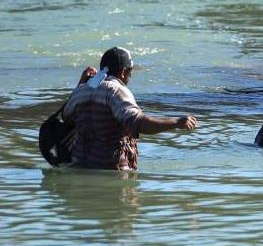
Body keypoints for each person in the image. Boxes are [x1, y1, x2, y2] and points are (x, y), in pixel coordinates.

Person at [62, 46, 197, 170]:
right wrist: (177, 122)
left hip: (78, 164)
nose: (129, 77)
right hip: (111, 170)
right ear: (123, 72)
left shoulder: (81, 90)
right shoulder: (116, 91)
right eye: (130, 73)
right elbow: (138, 123)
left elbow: (65, 116)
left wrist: (80, 84)